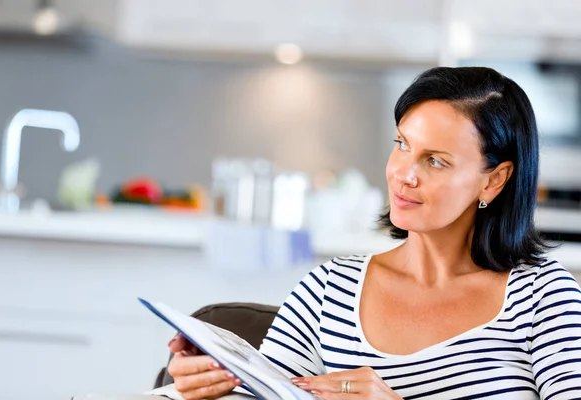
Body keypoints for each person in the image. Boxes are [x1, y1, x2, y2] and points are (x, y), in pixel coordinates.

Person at [167, 67, 581, 399]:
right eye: (402, 144)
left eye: (435, 161)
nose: (404, 174)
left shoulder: (544, 298)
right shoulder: (330, 288)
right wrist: (210, 387)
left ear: (494, 180)